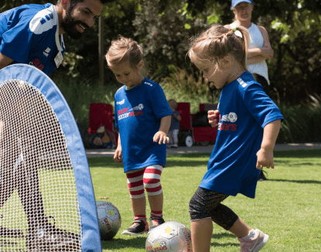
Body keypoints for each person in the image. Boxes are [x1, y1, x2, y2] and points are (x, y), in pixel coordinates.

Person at [0, 0, 110, 249]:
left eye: (94, 17)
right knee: (19, 147)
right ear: (65, 2)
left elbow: (27, 88)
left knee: (10, 157)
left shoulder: (57, 45)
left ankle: (38, 229)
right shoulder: (39, 22)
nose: (90, 22)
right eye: (86, 12)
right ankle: (38, 231)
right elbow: (4, 67)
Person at [187, 24, 283, 252]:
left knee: (198, 205)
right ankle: (250, 238)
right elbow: (237, 120)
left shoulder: (246, 86)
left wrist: (266, 148)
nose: (204, 76)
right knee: (209, 205)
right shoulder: (228, 88)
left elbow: (272, 115)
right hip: (224, 160)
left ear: (227, 62)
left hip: (235, 161)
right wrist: (219, 120)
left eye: (206, 69)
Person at [105, 36, 172, 235]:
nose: (123, 78)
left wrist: (162, 131)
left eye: (126, 73)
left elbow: (165, 114)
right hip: (131, 152)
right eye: (118, 75)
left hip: (152, 148)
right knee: (134, 187)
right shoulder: (118, 95)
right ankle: (139, 222)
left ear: (139, 65)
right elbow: (120, 124)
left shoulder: (152, 89)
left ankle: (157, 218)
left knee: (150, 181)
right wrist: (120, 146)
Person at [226, 0, 275, 181]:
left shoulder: (261, 30)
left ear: (252, 7)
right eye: (239, 7)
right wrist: (259, 51)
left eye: (246, 6)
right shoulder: (228, 30)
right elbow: (237, 55)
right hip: (237, 80)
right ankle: (236, 167)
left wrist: (250, 51)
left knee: (259, 124)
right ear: (233, 10)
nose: (243, 10)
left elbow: (269, 53)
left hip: (260, 79)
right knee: (236, 123)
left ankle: (257, 168)